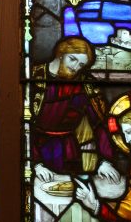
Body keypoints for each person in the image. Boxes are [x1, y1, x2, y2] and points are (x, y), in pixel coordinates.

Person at [32, 36, 117, 182]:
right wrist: (35, 163)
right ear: (60, 54)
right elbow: (22, 124)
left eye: (81, 65)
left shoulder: (85, 84)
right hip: (37, 147)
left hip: (69, 151)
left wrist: (105, 161)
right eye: (72, 59)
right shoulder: (34, 76)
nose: (75, 67)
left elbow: (99, 124)